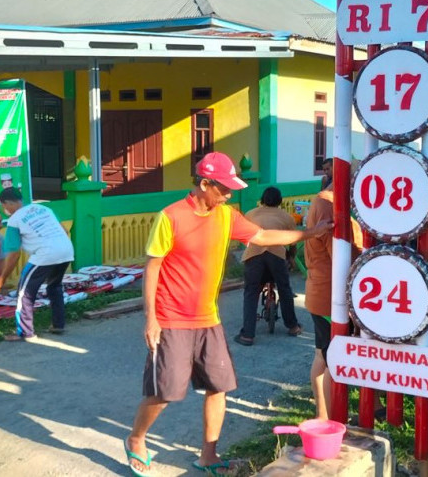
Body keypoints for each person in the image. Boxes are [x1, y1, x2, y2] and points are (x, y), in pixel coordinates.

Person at [124, 152, 332, 477]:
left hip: (209, 318)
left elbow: (262, 236)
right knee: (165, 391)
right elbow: (153, 267)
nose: (228, 194)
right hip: (172, 319)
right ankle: (136, 439)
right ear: (204, 183)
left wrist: (309, 233)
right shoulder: (171, 216)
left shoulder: (226, 215)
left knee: (218, 386)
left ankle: (208, 455)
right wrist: (151, 319)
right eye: (223, 188)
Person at [304, 182, 362, 419]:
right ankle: (334, 418)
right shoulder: (329, 207)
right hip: (332, 297)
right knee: (334, 360)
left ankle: (323, 415)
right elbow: (341, 255)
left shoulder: (321, 202)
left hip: (320, 292)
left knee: (323, 355)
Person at [0, 188, 74, 341]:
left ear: (7, 203)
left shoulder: (15, 220)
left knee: (25, 293)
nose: (4, 210)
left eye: (3, 206)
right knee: (54, 286)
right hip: (66, 250)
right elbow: (65, 231)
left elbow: (14, 254)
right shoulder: (43, 208)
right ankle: (58, 325)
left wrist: (2, 278)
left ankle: (25, 332)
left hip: (44, 254)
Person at [236, 186, 302, 345]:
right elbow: (292, 241)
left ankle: (247, 335)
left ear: (262, 200)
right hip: (276, 256)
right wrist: (291, 257)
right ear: (280, 201)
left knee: (251, 292)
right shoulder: (286, 217)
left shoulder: (250, 214)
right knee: (285, 289)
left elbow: (245, 235)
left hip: (254, 256)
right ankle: (293, 326)